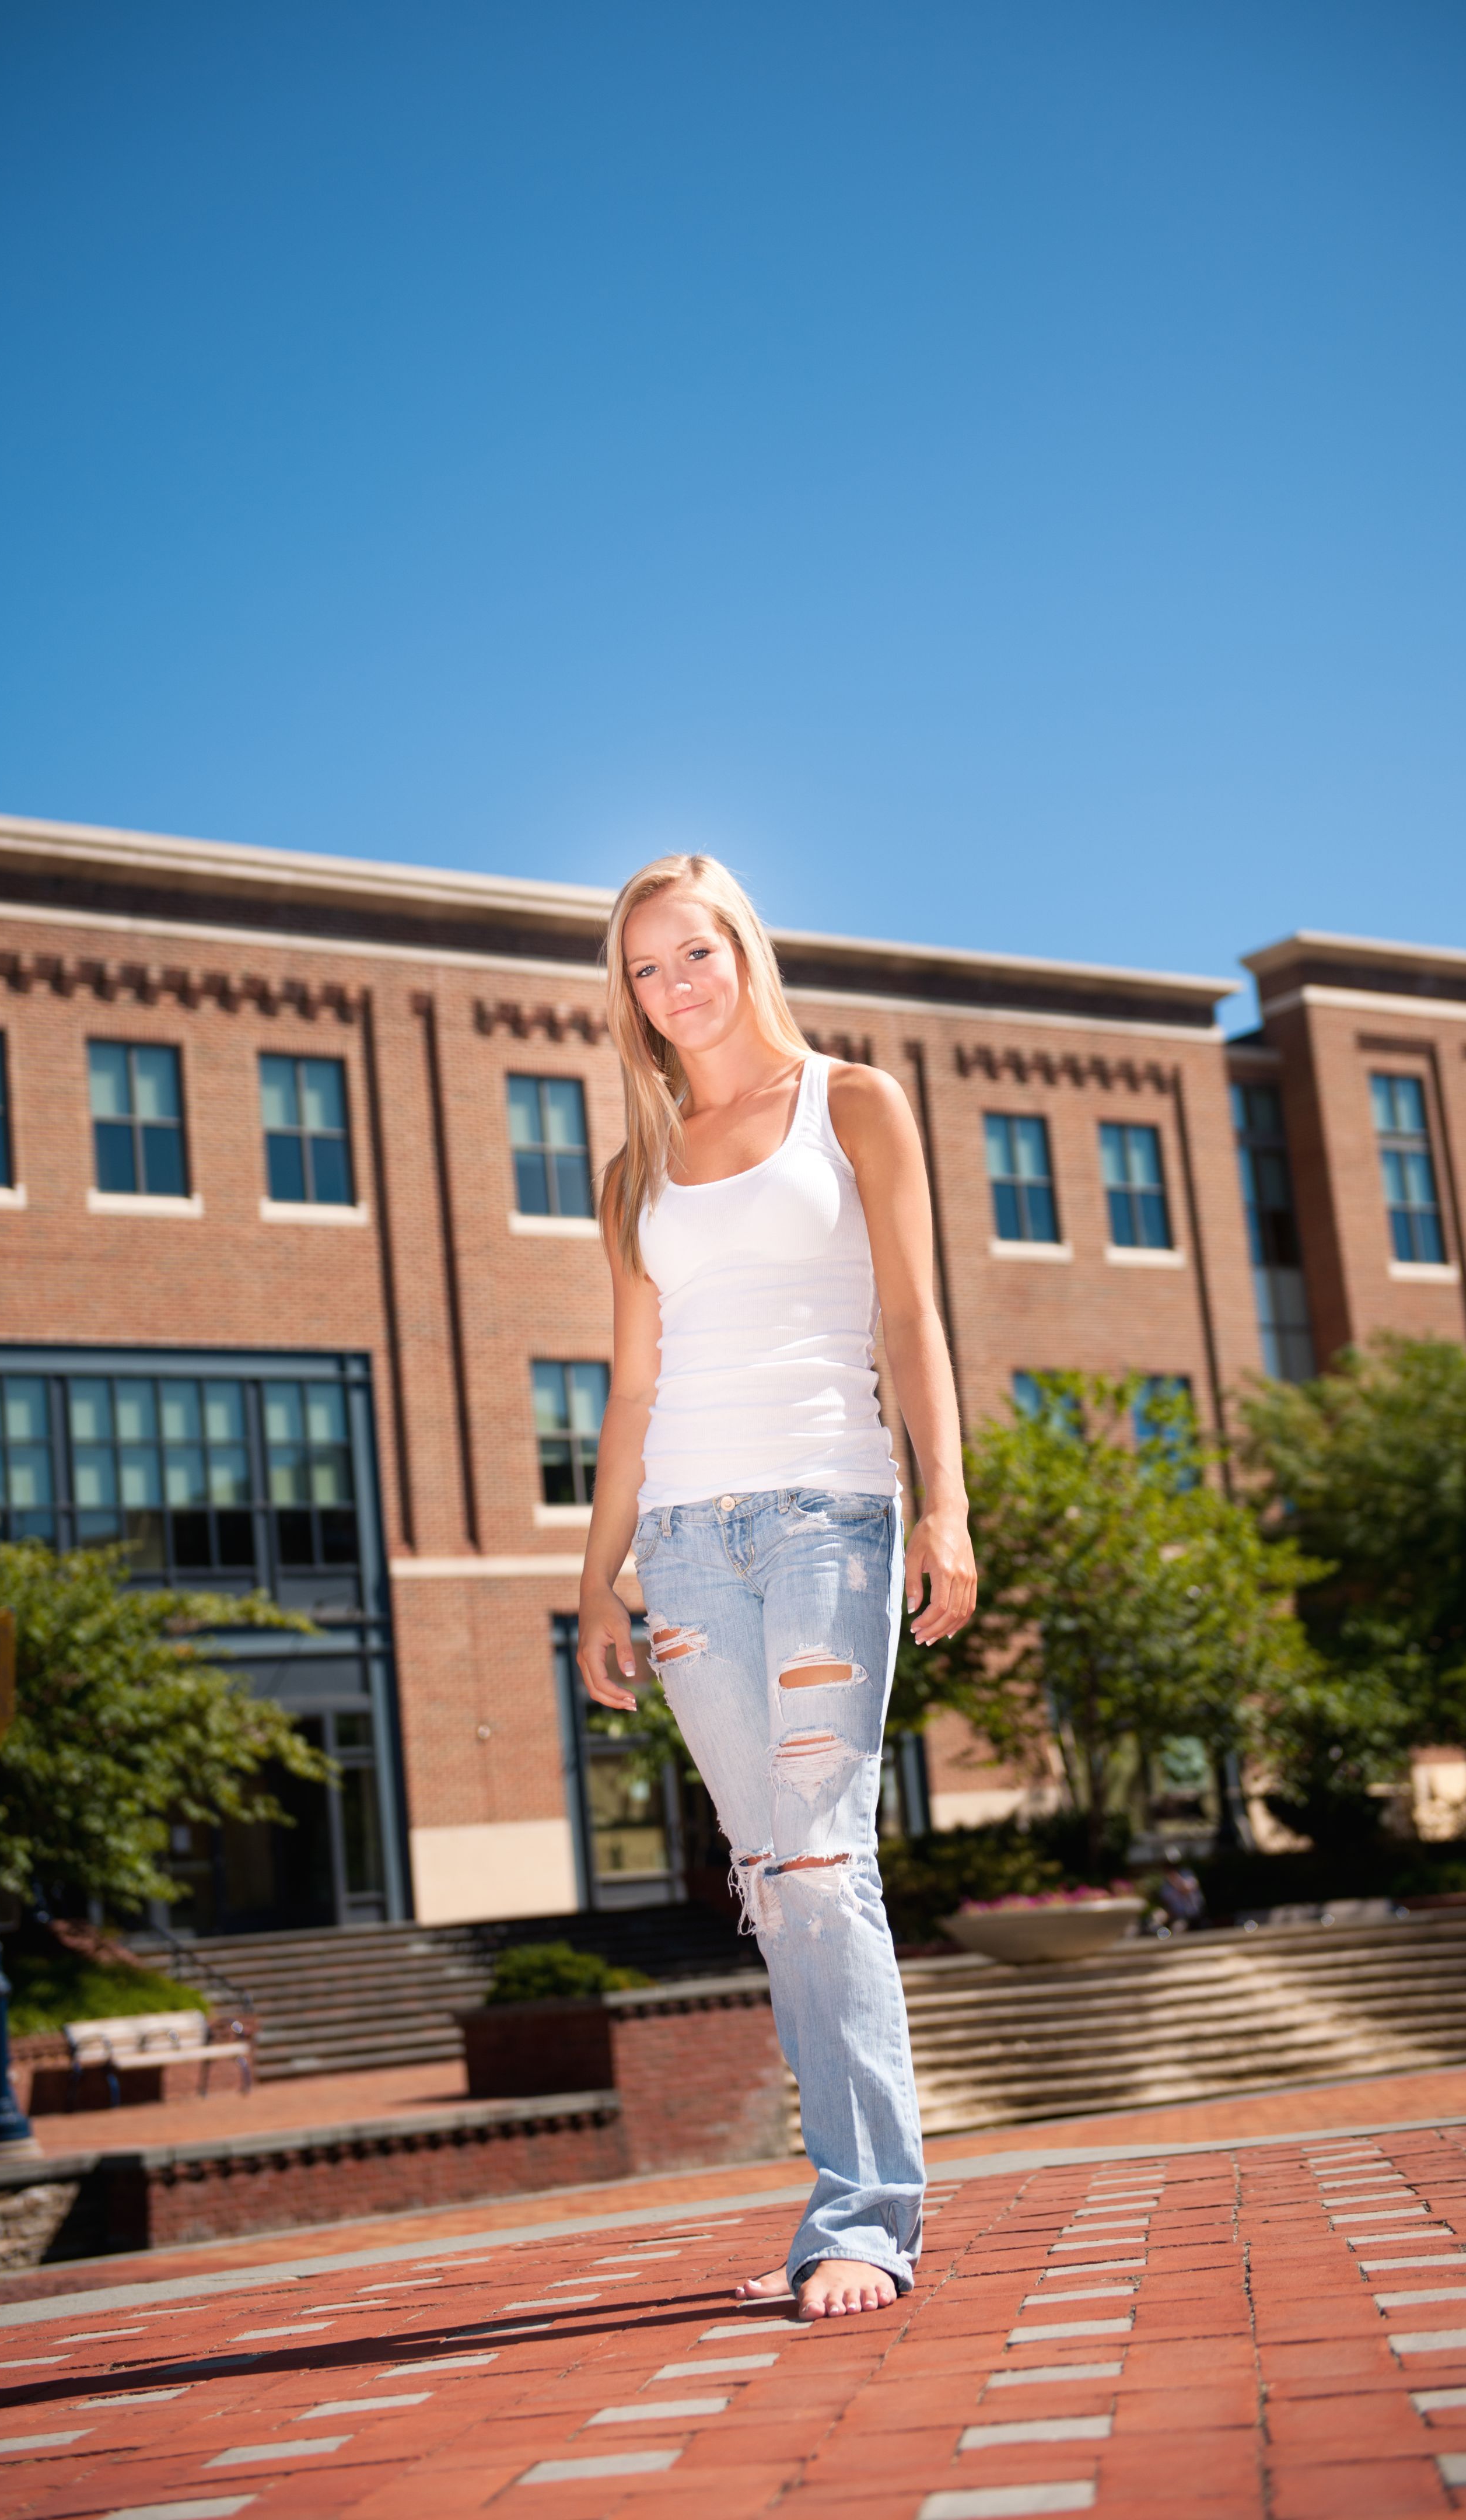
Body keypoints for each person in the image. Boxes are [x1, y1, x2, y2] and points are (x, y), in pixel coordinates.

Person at [576, 853, 976, 2320]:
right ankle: (841, 2211)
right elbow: (631, 1388)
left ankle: (870, 2216)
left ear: (743, 950)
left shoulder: (853, 1102)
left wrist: (949, 1503)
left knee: (817, 1858)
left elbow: (911, 1311)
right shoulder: (636, 1168)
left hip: (829, 1514)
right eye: (645, 969)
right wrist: (595, 1576)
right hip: (681, 1539)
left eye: (695, 953)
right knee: (770, 1876)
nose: (676, 986)